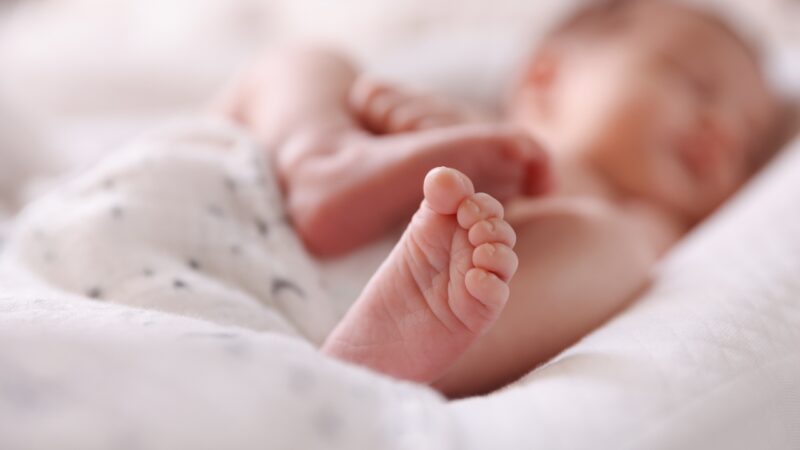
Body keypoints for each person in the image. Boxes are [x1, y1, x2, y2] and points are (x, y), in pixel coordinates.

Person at [217, 0, 784, 397]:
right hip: (274, 203)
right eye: (693, 82)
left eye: (748, 140)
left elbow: (619, 252)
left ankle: (396, 350)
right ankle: (322, 153)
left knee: (617, 247)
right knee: (304, 61)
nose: (723, 129)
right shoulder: (459, 115)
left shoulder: (643, 222)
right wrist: (398, 126)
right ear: (545, 76)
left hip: (404, 292)